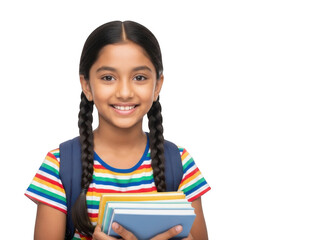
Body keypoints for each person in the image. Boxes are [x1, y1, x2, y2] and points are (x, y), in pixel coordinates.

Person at [25, 20, 211, 240]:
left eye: (139, 78)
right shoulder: (59, 166)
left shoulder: (179, 163)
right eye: (108, 78)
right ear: (86, 85)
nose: (124, 92)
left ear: (157, 86)